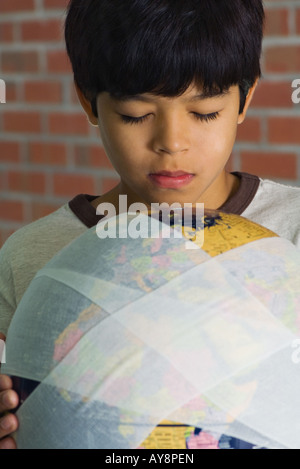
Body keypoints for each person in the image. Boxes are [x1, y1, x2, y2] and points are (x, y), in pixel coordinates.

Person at [1, 0, 300, 449]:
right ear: (89, 101)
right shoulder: (29, 256)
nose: (171, 144)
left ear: (245, 98)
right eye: (135, 115)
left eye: (204, 113)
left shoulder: (292, 230)